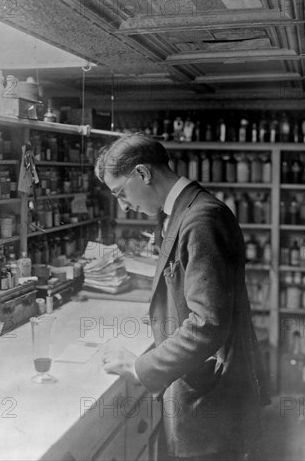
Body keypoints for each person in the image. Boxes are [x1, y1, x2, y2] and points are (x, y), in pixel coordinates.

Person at [96, 134, 270, 460]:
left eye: (121, 193)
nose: (123, 205)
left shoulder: (201, 217)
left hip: (212, 399)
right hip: (198, 385)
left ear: (144, 174)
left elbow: (207, 324)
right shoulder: (180, 211)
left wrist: (140, 366)